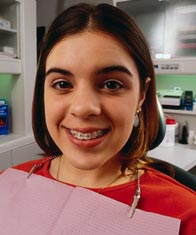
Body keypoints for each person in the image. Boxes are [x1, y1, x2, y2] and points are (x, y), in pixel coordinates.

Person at [2, 3, 196, 234]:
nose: (83, 108)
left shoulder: (186, 216)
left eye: (111, 84)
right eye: (62, 84)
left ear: (141, 95)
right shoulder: (7, 185)